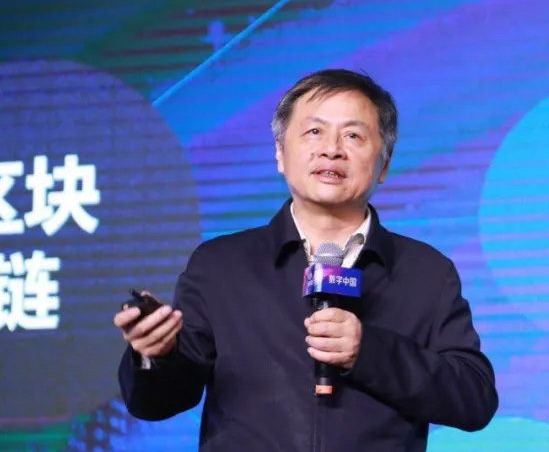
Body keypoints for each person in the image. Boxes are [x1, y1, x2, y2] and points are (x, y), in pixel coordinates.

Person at [114, 68, 498, 451]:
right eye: (314, 131)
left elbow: (474, 399)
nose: (332, 149)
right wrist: (156, 355)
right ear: (280, 153)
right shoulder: (219, 265)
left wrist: (369, 351)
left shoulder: (426, 272)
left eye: (353, 135)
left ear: (383, 164)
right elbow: (158, 403)